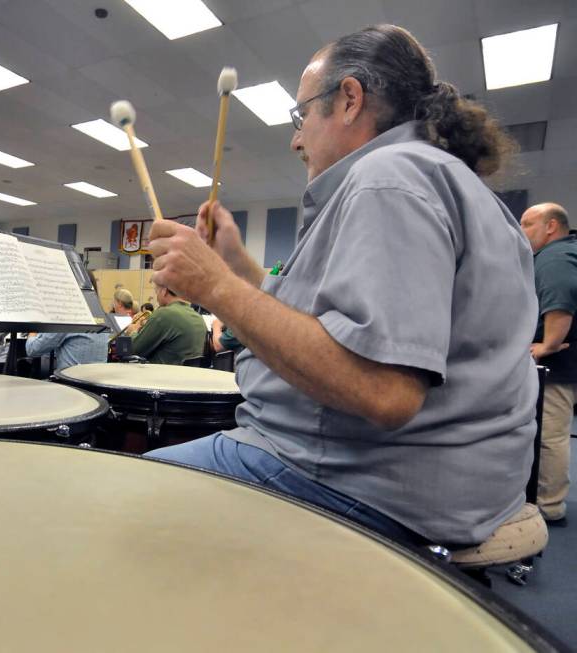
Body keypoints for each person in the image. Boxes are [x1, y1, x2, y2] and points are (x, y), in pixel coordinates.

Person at [144, 24, 537, 547]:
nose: (295, 138)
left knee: (128, 494)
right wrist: (237, 266)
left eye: (301, 114)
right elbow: (328, 326)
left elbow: (384, 390)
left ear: (349, 99)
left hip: (365, 483)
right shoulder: (445, 180)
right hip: (442, 478)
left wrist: (216, 287)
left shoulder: (389, 179)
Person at [520, 202, 577, 522]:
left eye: (528, 224)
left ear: (551, 226)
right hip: (569, 362)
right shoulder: (568, 251)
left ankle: (549, 507)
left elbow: (561, 294)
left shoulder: (554, 257)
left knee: (550, 436)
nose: (522, 230)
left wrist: (548, 344)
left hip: (560, 362)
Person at [131, 285, 207, 365]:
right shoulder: (198, 317)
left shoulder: (164, 314)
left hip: (158, 374)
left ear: (164, 291)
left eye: (156, 290)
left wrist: (133, 331)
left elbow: (134, 350)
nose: (156, 295)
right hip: (185, 374)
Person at [25, 330, 109, 372]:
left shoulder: (66, 319)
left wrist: (33, 331)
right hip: (97, 383)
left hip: (72, 385)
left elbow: (32, 349)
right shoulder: (101, 319)